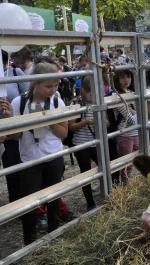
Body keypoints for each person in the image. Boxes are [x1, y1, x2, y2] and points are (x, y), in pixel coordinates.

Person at [10, 57, 68, 245]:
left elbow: (63, 134)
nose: (53, 90)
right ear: (35, 83)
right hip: (30, 160)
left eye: (55, 86)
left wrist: (47, 119)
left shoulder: (57, 103)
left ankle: (54, 236)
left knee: (53, 200)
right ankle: (30, 240)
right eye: (48, 86)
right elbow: (16, 137)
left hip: (53, 157)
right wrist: (13, 120)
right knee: (29, 203)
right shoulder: (19, 103)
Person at [68, 77, 107, 211]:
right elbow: (71, 126)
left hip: (96, 142)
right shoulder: (76, 103)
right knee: (85, 172)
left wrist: (100, 122)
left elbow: (107, 122)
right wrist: (85, 122)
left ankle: (107, 193)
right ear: (83, 91)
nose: (93, 96)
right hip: (81, 144)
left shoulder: (99, 101)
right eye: (90, 93)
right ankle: (90, 202)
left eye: (95, 93)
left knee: (104, 167)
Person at [2, 49, 30, 204]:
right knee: (9, 171)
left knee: (19, 167)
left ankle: (27, 204)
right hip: (1, 132)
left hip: (15, 130)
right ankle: (15, 203)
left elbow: (27, 99)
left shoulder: (15, 72)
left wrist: (12, 115)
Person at [112, 70, 138, 184]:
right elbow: (132, 119)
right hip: (125, 134)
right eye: (122, 77)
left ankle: (127, 186)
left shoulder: (131, 92)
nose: (126, 80)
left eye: (128, 77)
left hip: (136, 133)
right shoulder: (116, 95)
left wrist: (133, 111)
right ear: (117, 80)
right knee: (125, 164)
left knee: (132, 162)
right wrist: (135, 112)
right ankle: (125, 188)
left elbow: (141, 114)